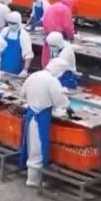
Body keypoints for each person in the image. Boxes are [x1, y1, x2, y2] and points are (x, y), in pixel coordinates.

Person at [19, 58, 71, 187]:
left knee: (31, 146)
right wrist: (66, 105)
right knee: (38, 149)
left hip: (30, 116)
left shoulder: (34, 75)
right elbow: (61, 102)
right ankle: (33, 180)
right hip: (40, 118)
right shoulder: (52, 81)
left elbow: (22, 93)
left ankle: (32, 177)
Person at [41, 0, 75, 66]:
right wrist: (71, 36)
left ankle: (45, 67)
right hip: (57, 34)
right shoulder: (65, 9)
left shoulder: (53, 6)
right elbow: (67, 25)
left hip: (47, 33)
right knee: (57, 54)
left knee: (47, 52)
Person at [0, 11, 33, 77]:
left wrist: (25, 70)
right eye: (9, 23)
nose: (11, 25)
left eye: (13, 23)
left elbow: (28, 55)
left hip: (16, 70)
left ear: (18, 23)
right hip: (2, 67)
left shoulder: (23, 35)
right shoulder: (5, 31)